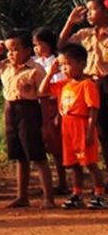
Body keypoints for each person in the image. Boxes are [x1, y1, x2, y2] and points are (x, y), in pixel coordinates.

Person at [0, 30, 53, 208]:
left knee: (37, 155)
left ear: (28, 50)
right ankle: (22, 196)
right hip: (10, 109)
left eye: (15, 49)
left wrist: (46, 124)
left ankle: (48, 197)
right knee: (19, 155)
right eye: (8, 50)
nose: (10, 53)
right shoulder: (5, 66)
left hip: (29, 111)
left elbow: (43, 98)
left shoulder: (35, 70)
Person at [44, 43, 106, 208]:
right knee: (73, 164)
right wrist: (51, 72)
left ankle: (99, 194)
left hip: (82, 124)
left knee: (89, 162)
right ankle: (76, 193)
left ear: (81, 63)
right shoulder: (65, 84)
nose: (64, 68)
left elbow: (93, 109)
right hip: (67, 126)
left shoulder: (87, 85)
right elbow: (42, 90)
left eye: (68, 64)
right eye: (62, 65)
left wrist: (90, 131)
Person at [58, 0, 108, 167]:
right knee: (102, 132)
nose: (88, 13)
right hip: (92, 85)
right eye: (87, 10)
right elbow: (61, 46)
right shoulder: (85, 34)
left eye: (93, 9)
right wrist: (70, 22)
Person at [33, 26, 70, 193]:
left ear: (48, 44)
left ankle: (63, 182)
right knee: (42, 145)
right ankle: (47, 182)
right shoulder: (34, 62)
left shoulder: (58, 62)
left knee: (57, 147)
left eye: (39, 44)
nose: (36, 48)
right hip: (38, 106)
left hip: (54, 104)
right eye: (34, 45)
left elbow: (62, 86)